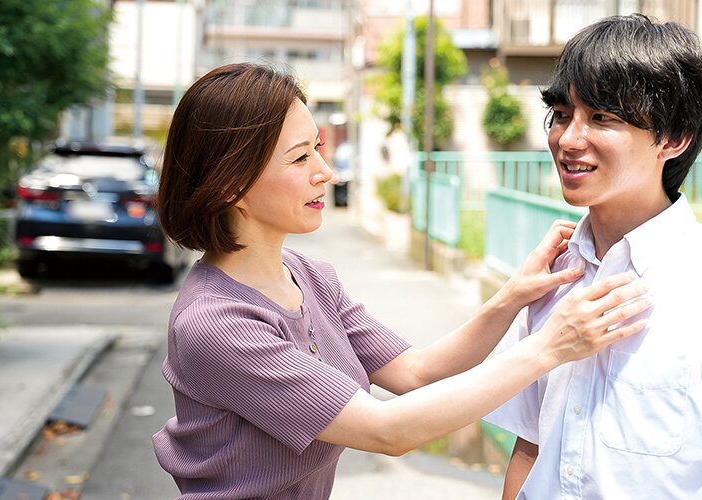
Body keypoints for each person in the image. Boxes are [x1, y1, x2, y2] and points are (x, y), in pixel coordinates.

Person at [151, 62, 651, 499]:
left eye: (318, 149)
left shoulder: (308, 277)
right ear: (233, 182)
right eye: (301, 157)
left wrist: (513, 295)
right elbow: (390, 431)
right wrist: (550, 347)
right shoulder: (216, 325)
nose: (325, 171)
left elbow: (417, 371)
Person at [484, 14, 702, 499]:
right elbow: (530, 446)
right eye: (562, 114)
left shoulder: (694, 284)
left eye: (602, 117)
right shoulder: (552, 274)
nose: (567, 140)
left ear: (674, 138)